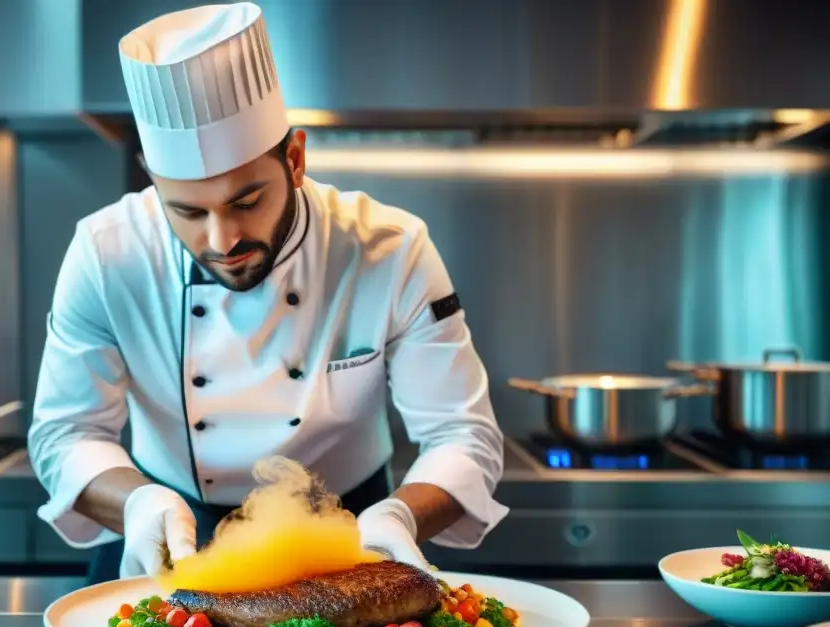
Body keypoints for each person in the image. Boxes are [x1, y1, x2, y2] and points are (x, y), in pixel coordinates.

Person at [28, 2, 508, 585]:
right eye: (186, 211)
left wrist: (400, 517)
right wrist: (137, 505)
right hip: (164, 537)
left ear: (296, 159)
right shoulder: (106, 253)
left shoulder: (389, 249)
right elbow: (66, 433)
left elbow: (463, 434)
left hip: (353, 540)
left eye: (247, 201)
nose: (221, 239)